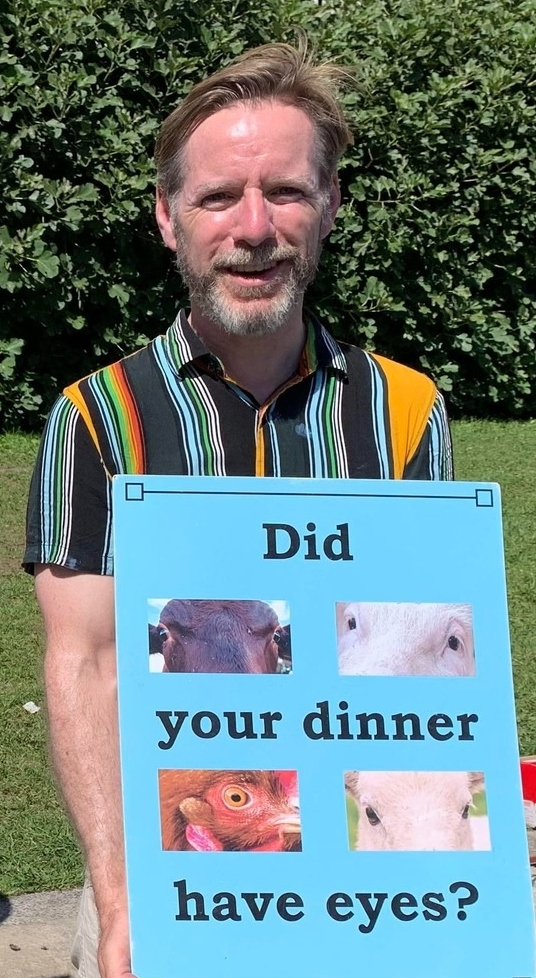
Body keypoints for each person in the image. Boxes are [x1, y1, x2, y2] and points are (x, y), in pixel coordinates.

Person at [24, 39, 453, 978]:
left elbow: (418, 665)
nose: (254, 226)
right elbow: (87, 663)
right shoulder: (97, 419)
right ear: (169, 219)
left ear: (331, 205)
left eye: (288, 191)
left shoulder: (409, 411)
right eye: (219, 197)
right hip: (167, 877)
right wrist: (120, 898)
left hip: (360, 885)